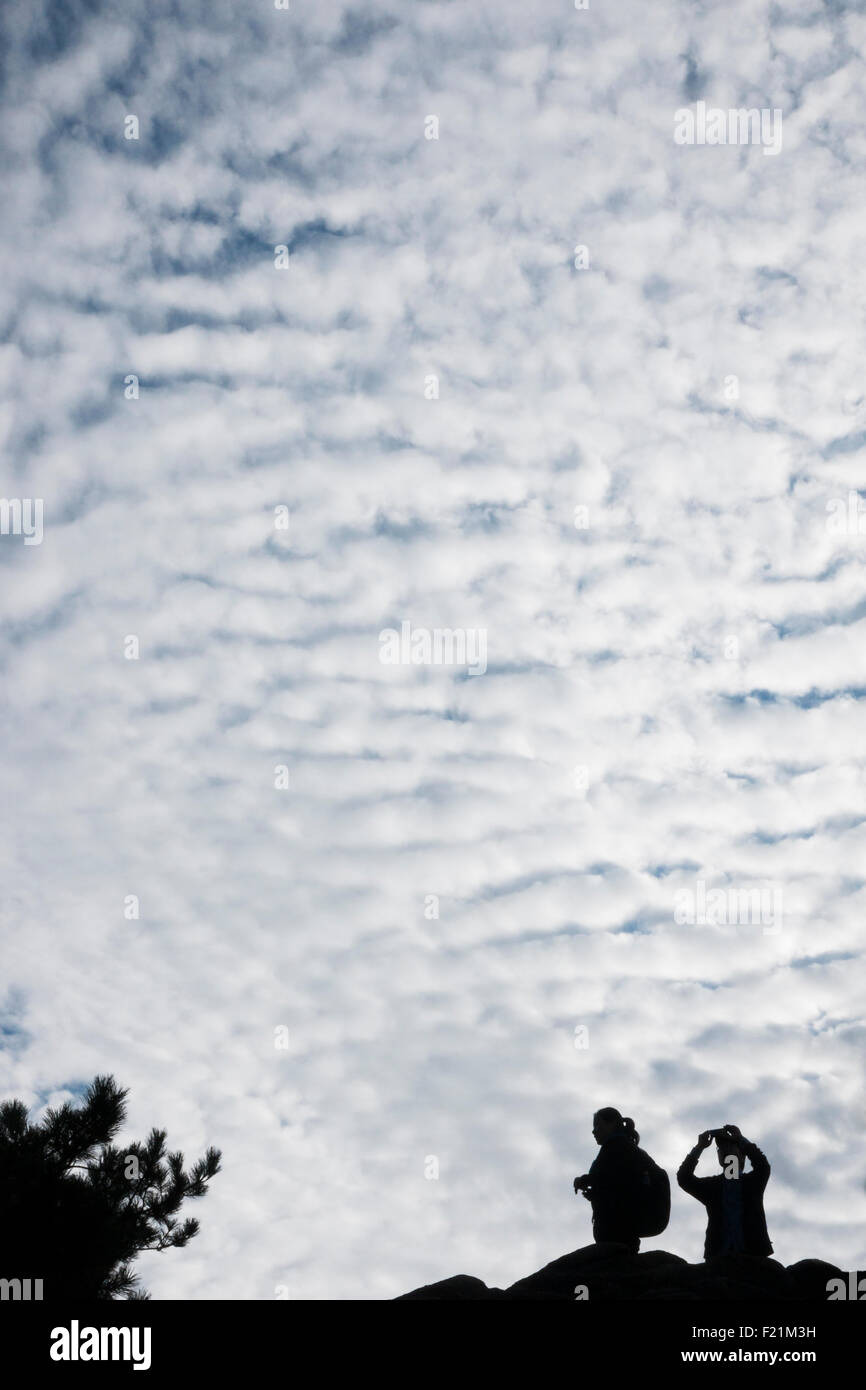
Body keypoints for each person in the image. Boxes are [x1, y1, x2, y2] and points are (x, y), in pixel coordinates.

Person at [677, 1124, 773, 1258]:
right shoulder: (713, 1186)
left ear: (742, 1156)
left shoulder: (752, 1183)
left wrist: (740, 1139)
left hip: (754, 1256)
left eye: (731, 1146)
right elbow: (684, 1178)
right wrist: (699, 1147)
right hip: (719, 1257)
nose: (726, 1150)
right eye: (721, 1148)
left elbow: (762, 1165)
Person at [573, 1107, 646, 1253]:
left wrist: (583, 1180)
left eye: (598, 1125)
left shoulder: (617, 1146)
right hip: (622, 1223)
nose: (594, 1131)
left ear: (612, 1124)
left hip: (616, 1224)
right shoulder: (622, 1146)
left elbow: (608, 1176)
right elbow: (613, 1183)